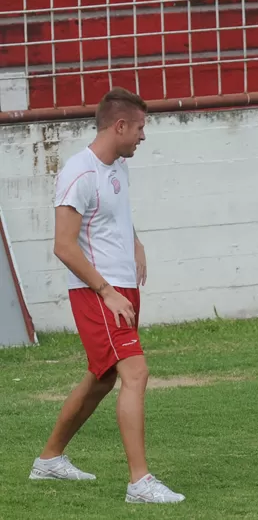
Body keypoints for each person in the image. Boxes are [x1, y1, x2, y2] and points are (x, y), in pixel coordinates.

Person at [30, 87, 185, 504]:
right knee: (136, 373)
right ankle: (140, 482)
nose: (142, 136)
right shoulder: (78, 174)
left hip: (120, 289)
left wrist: (135, 243)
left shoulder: (117, 166)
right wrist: (107, 292)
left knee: (103, 377)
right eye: (139, 128)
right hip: (100, 291)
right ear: (119, 126)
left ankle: (49, 460)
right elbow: (64, 245)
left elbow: (116, 215)